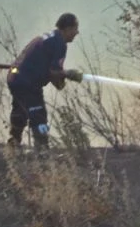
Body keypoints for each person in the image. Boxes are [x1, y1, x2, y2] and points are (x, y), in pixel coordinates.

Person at [7, 13, 83, 150]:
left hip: (14, 77)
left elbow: (50, 70)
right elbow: (54, 72)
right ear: (66, 29)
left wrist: (60, 80)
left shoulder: (47, 37)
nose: (77, 32)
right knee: (39, 117)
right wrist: (69, 74)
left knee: (20, 111)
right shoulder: (60, 43)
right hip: (28, 82)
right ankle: (42, 151)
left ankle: (13, 145)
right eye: (75, 28)